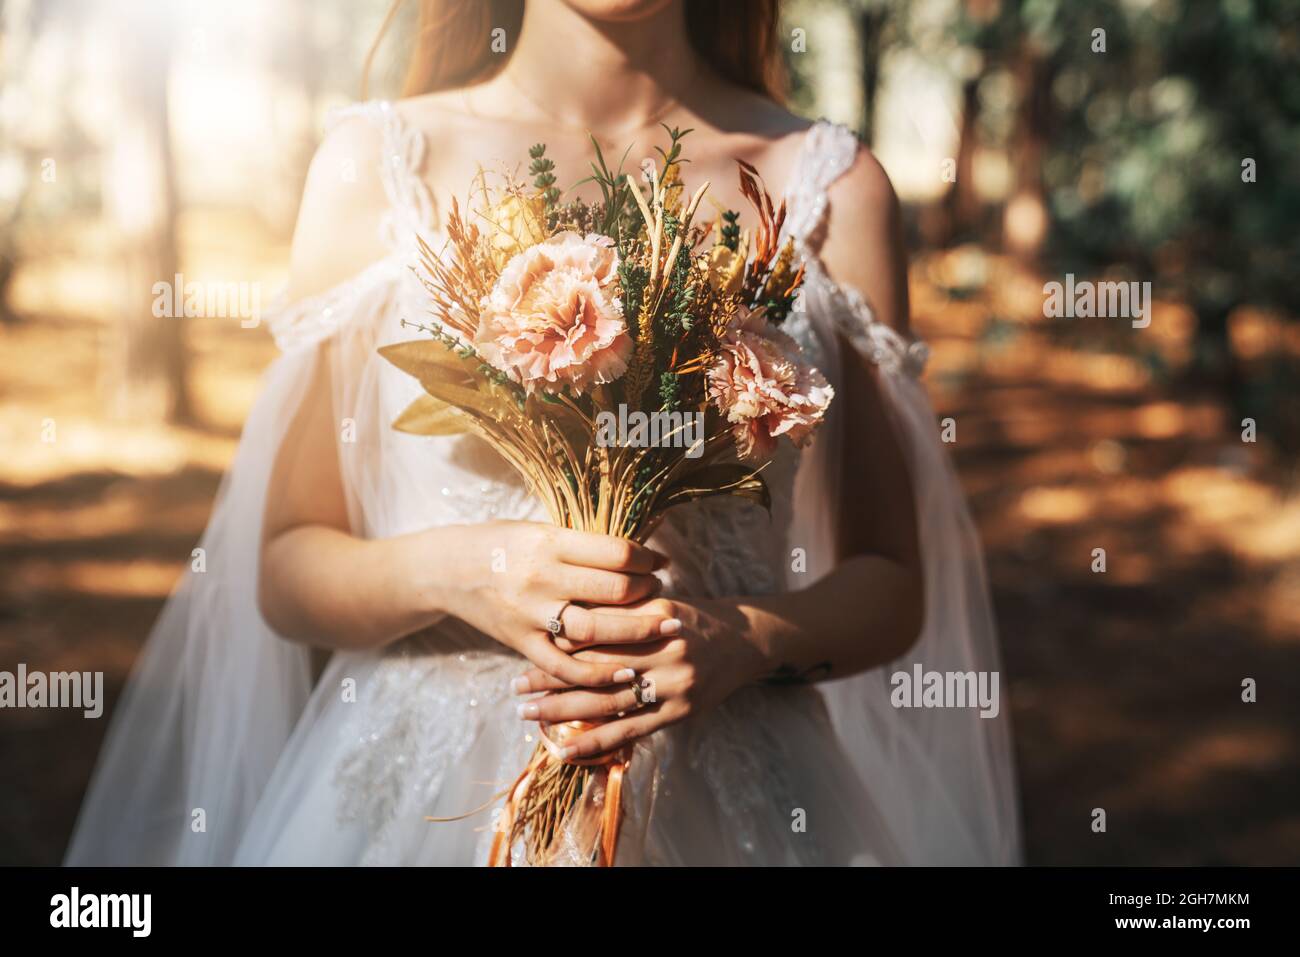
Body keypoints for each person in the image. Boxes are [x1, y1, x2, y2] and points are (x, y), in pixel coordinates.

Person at [66, 0, 1021, 866]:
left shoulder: (831, 188)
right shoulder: (379, 165)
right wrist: (467, 571)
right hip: (422, 809)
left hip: (741, 801)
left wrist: (743, 639)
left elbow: (893, 583)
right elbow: (286, 565)